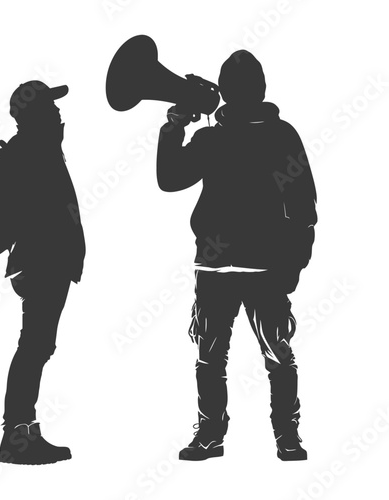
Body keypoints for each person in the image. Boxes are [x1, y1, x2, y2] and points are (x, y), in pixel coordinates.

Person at [156, 50, 317, 461]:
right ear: (261, 89)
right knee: (276, 354)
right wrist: (293, 267)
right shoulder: (282, 135)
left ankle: (212, 436)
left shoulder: (215, 136)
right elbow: (304, 209)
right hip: (256, 266)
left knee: (211, 357)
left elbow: (169, 177)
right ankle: (287, 437)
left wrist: (175, 127)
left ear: (225, 93)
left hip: (220, 265)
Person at [0, 81, 85, 465]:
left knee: (36, 347)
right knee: (34, 347)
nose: (59, 112)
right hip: (42, 265)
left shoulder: (36, 147)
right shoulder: (35, 151)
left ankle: (23, 432)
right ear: (36, 114)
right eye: (51, 106)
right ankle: (17, 437)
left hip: (41, 264)